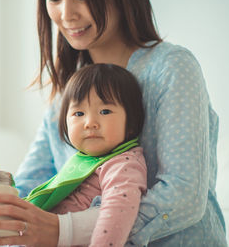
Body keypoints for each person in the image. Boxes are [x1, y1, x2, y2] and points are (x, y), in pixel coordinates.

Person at [0, 0, 227, 246]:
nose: (66, 14)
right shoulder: (65, 95)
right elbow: (27, 200)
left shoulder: (171, 68)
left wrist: (62, 230)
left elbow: (184, 197)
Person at [25, 63, 147, 247]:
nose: (90, 123)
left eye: (105, 111)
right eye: (79, 113)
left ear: (131, 123)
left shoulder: (123, 163)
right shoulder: (81, 161)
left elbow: (117, 213)